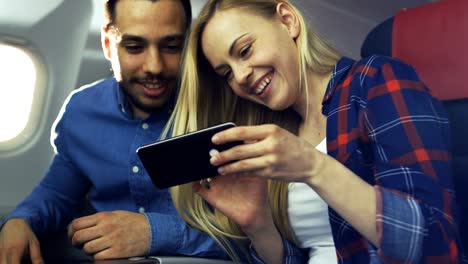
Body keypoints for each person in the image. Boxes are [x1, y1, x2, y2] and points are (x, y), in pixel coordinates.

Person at [165, 0, 465, 263]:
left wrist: (313, 166)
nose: (241, 77)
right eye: (227, 73)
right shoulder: (279, 133)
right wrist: (257, 223)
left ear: (287, 20)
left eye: (245, 50)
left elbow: (434, 246)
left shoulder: (374, 81)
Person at [0, 0, 228, 263]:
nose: (154, 66)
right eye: (134, 47)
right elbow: (57, 194)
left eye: (171, 47)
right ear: (108, 45)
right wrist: (20, 221)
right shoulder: (81, 110)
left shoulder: (222, 107)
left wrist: (154, 233)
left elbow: (259, 234)